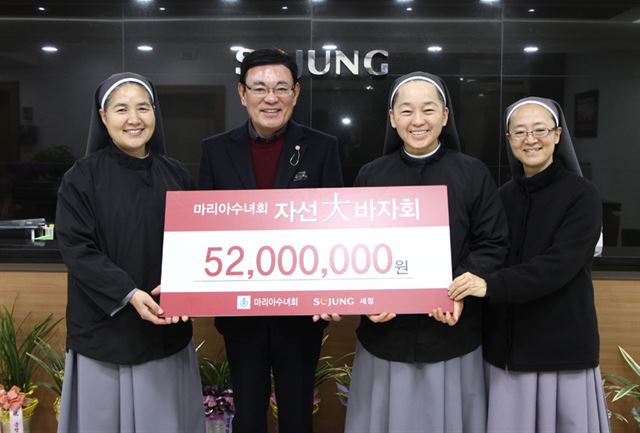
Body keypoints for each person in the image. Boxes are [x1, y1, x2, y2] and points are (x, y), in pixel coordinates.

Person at [344, 71, 509, 433]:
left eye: (428, 110)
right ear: (392, 118)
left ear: (445, 116)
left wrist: (456, 290)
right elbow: (353, 248)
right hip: (385, 334)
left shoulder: (473, 173)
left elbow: (493, 243)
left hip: (451, 330)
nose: (417, 121)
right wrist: (367, 299)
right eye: (406, 111)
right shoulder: (371, 175)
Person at [198, 48, 343, 433]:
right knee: (248, 411)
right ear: (242, 93)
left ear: (295, 92)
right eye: (259, 88)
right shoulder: (214, 150)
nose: (270, 97)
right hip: (240, 310)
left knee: (297, 412)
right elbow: (201, 230)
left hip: (301, 313)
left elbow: (336, 226)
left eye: (281, 87)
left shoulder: (322, 147)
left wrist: (334, 291)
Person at [448, 96, 611, 433]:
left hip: (561, 349)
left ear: (557, 135)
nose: (530, 139)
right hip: (507, 351)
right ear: (509, 140)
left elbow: (559, 265)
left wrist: (489, 285)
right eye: (519, 132)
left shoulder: (583, 195)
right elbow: (485, 251)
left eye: (539, 130)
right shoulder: (501, 196)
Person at [55, 72, 205, 433]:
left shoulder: (177, 175)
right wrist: (130, 293)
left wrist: (184, 288)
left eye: (143, 107)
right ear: (103, 118)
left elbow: (196, 245)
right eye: (121, 109)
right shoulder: (81, 177)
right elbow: (76, 248)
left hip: (165, 328)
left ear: (155, 113)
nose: (134, 119)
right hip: (105, 331)